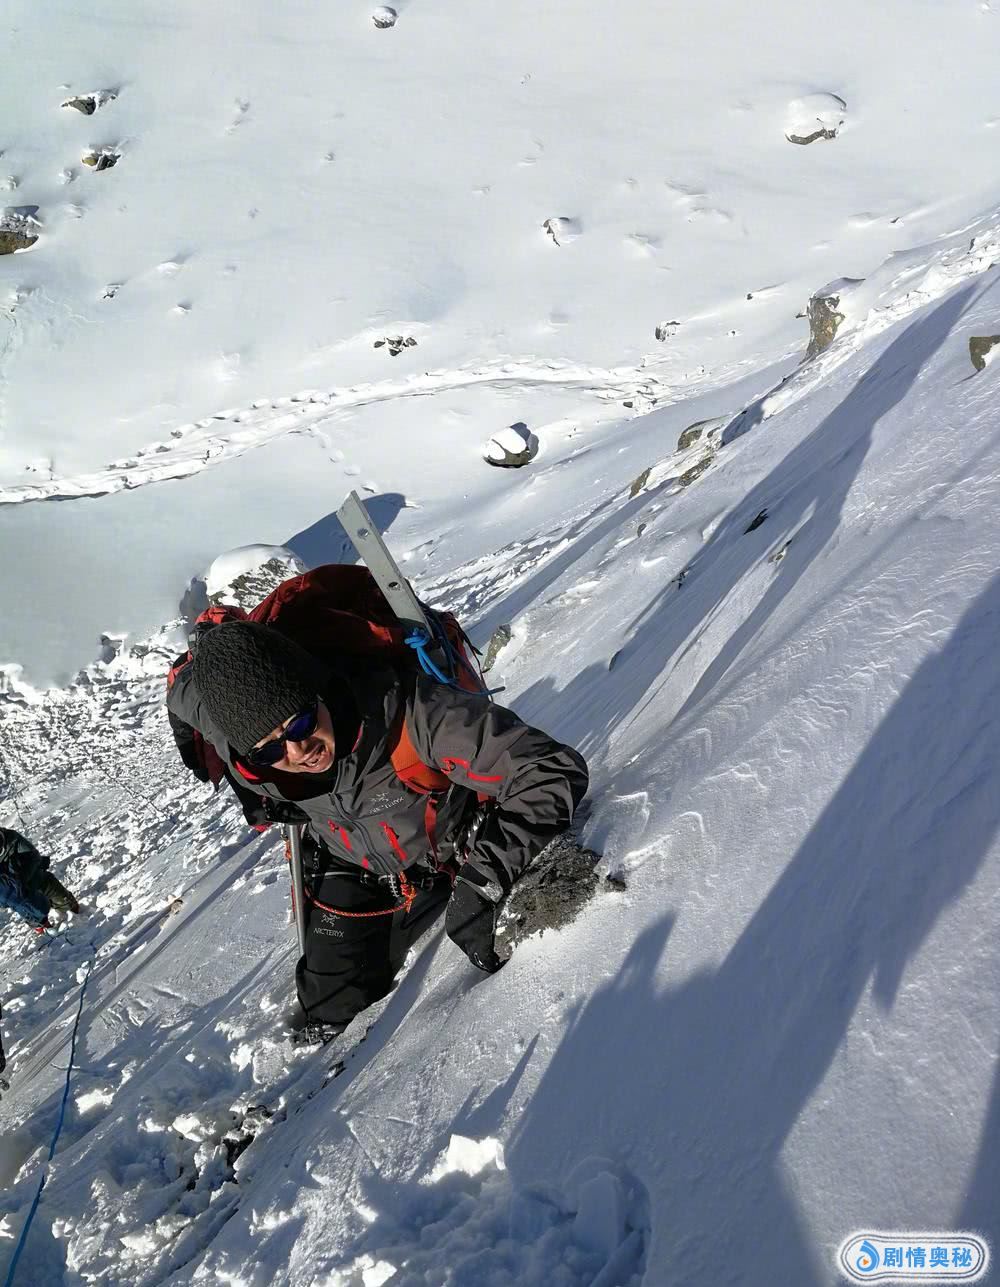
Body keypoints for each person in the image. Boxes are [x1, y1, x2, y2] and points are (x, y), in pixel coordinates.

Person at [167, 619, 588, 1037]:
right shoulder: (239, 743)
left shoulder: (412, 713)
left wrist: (483, 879)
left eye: (300, 723)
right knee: (327, 1002)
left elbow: (548, 771)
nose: (299, 751)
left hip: (453, 841)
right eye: (270, 749)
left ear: (319, 689)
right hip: (350, 857)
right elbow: (180, 687)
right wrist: (191, 739)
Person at [0, 826, 80, 935]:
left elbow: (34, 857)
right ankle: (41, 925)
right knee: (29, 910)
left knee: (70, 906)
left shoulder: (12, 839)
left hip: (33, 876)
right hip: (18, 894)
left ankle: (70, 909)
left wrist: (22, 880)